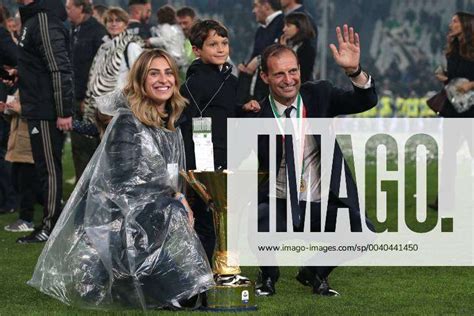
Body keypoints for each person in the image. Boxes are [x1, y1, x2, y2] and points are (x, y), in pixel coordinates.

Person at [28, 49, 214, 310]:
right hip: (123, 217)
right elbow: (126, 182)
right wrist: (176, 199)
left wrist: (177, 196)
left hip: (149, 215)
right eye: (154, 73)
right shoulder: (128, 122)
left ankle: (132, 277)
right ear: (140, 80)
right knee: (182, 281)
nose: (163, 80)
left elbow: (168, 174)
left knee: (190, 290)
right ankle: (109, 273)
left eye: (168, 72)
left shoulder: (169, 120)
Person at [243, 25, 377, 297]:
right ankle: (268, 276)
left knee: (363, 231)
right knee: (258, 219)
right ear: (265, 76)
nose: (288, 79)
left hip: (322, 201)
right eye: (279, 73)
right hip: (280, 201)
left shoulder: (319, 95)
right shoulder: (257, 116)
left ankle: (315, 271)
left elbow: (365, 100)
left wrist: (354, 71)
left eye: (293, 71)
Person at [179, 19, 239, 261]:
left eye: (224, 43)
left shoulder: (232, 81)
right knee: (204, 221)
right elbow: (191, 124)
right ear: (197, 50)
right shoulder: (193, 84)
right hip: (204, 162)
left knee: (219, 221)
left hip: (227, 156)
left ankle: (215, 270)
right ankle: (198, 277)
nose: (221, 48)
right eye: (213, 44)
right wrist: (201, 168)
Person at [14, 0, 73, 243]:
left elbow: (59, 68)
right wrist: (20, 74)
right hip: (39, 106)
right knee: (44, 169)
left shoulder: (43, 20)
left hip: (47, 110)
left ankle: (51, 227)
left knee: (48, 170)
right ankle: (50, 223)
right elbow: (41, 64)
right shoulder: (33, 19)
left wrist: (63, 111)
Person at [429, 12, 474, 211]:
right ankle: (444, 201)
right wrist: (444, 77)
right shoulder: (452, 50)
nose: (451, 24)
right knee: (448, 156)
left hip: (472, 109)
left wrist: (471, 85)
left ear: (466, 25)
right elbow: (455, 79)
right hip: (454, 108)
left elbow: (467, 80)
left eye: (455, 21)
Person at [80, 7, 143, 137]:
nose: (113, 24)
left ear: (125, 24)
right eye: (110, 21)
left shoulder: (131, 46)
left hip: (123, 108)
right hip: (102, 109)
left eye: (118, 20)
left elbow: (141, 77)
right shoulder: (104, 48)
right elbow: (94, 77)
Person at [66, 0, 107, 181]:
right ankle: (81, 190)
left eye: (69, 7)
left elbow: (99, 69)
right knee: (78, 146)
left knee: (88, 147)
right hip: (74, 96)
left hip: (88, 100)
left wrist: (87, 98)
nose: (66, 11)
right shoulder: (74, 29)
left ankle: (90, 191)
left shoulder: (97, 32)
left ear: (80, 8)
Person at [1, 95, 43, 233]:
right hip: (17, 145)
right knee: (19, 182)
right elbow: (12, 119)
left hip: (29, 144)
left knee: (27, 184)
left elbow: (43, 112)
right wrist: (5, 110)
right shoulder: (20, 87)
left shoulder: (34, 84)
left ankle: (27, 219)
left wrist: (20, 109)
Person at [238, 0, 284, 103]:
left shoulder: (283, 24)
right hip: (258, 94)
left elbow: (279, 53)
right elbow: (254, 57)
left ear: (266, 6)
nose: (253, 11)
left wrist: (258, 60)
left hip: (274, 93)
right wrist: (246, 68)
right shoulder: (261, 30)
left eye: (256, 6)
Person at [280, 12, 317, 83]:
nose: (284, 29)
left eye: (288, 26)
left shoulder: (307, 49)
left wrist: (285, 51)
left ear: (299, 28)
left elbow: (303, 74)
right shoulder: (289, 45)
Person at [149, 5, 186, 72]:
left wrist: (150, 41)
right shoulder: (177, 28)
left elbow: (164, 40)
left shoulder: (165, 27)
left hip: (172, 58)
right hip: (180, 59)